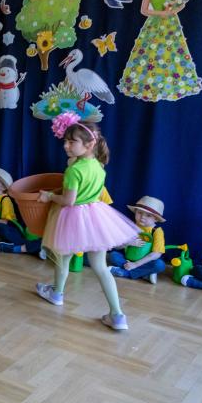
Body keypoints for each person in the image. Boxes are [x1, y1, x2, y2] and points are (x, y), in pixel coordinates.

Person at [36, 113, 139, 330]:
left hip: (72, 218)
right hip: (95, 216)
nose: (66, 145)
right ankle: (117, 315)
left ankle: (57, 293)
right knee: (101, 267)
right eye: (65, 141)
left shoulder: (74, 170)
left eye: (72, 142)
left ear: (89, 144)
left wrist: (49, 196)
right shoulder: (99, 166)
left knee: (63, 259)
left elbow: (68, 201)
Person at [108, 196, 167, 284]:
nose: (142, 217)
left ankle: (126, 273)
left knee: (159, 265)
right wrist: (128, 243)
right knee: (113, 255)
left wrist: (135, 264)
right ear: (135, 212)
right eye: (139, 212)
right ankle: (144, 274)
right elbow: (117, 247)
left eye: (148, 215)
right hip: (127, 259)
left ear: (156, 219)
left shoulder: (157, 231)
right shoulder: (131, 226)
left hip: (145, 262)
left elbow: (156, 254)